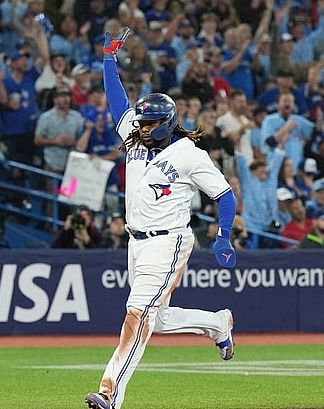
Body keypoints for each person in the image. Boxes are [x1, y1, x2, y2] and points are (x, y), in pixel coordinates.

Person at [85, 30, 236, 409]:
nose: (141, 127)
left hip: (168, 242)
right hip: (136, 242)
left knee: (136, 315)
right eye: (141, 122)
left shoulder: (190, 154)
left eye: (149, 123)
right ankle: (218, 323)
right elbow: (117, 101)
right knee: (158, 318)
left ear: (167, 124)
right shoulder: (136, 138)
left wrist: (223, 235)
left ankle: (110, 394)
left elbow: (224, 194)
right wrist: (108, 59)